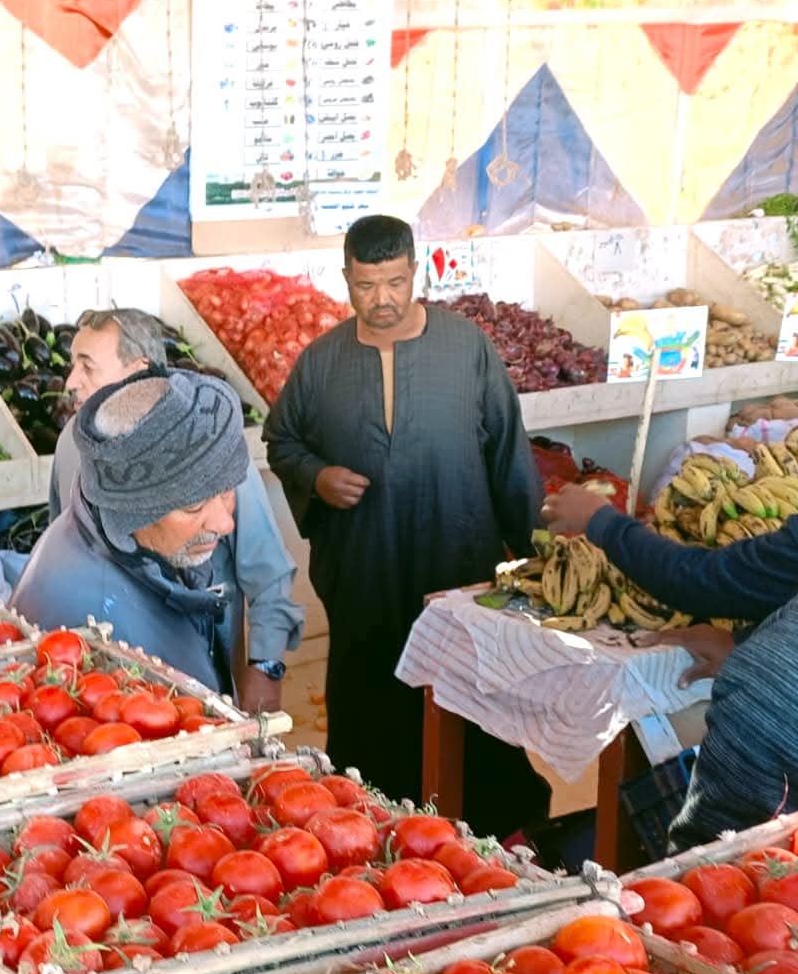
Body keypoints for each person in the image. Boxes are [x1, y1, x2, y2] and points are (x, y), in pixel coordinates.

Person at [264, 213, 549, 831]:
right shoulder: (321, 361)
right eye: (367, 285)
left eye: (395, 282)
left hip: (457, 562)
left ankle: (491, 831)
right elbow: (280, 439)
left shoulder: (467, 347)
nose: (383, 299)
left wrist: (534, 555)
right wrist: (317, 476)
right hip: (365, 570)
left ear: (415, 272)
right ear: (346, 278)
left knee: (469, 701)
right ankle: (367, 826)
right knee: (371, 700)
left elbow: (508, 450)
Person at [48, 307, 302, 712]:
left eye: (87, 366)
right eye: (72, 364)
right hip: (109, 696)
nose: (71, 382)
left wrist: (266, 667)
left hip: (206, 690)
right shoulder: (69, 445)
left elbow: (267, 570)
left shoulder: (206, 447)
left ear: (138, 372)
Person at [543, 482, 798, 851]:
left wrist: (602, 521)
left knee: (716, 861)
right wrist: (747, 640)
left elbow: (706, 580)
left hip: (763, 730)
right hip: (763, 731)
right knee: (733, 867)